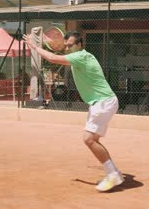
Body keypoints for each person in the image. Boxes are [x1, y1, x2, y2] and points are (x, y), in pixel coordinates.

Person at [23, 31, 123, 192]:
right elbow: (57, 56)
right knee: (93, 139)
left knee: (89, 139)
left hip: (103, 102)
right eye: (66, 46)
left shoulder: (81, 56)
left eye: (70, 45)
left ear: (79, 45)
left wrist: (34, 47)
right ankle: (114, 172)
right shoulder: (83, 57)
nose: (67, 48)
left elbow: (53, 58)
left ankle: (113, 175)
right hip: (102, 102)